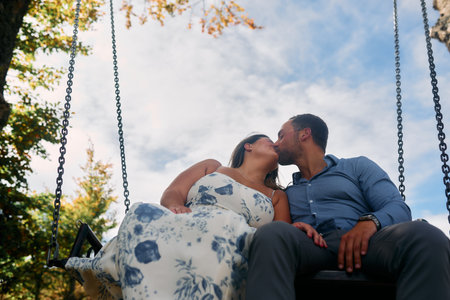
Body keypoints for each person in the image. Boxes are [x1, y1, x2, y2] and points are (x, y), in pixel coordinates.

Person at [65, 134, 326, 299]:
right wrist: (175, 205)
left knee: (225, 226)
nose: (276, 145)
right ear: (249, 145)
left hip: (235, 240)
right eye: (270, 140)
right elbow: (174, 192)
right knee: (142, 211)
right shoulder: (212, 167)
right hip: (186, 224)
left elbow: (277, 238)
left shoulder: (275, 196)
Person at [245, 114, 450, 300]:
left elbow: (396, 206)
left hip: (365, 244)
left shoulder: (356, 166)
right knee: (272, 233)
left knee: (425, 236)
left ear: (304, 134)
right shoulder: (285, 193)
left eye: (281, 136)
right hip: (313, 247)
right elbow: (243, 184)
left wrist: (370, 222)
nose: (277, 144)